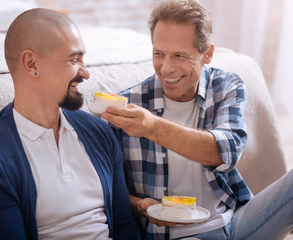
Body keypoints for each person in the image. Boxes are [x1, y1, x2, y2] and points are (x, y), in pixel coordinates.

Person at [101, 0, 293, 239]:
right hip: (170, 234)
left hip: (235, 223)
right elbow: (104, 190)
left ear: (208, 54)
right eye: (159, 53)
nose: (166, 68)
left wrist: (152, 126)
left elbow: (227, 153)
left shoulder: (225, 86)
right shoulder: (128, 105)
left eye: (180, 55)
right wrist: (140, 206)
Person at [0, 8, 140, 240]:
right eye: (74, 59)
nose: (85, 73)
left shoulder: (99, 133)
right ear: (31, 64)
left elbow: (124, 225)